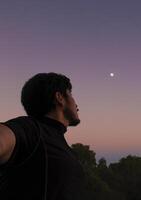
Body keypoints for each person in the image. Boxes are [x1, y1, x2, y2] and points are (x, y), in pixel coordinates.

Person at [0, 72, 88, 200]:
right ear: (59, 97)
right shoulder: (31, 129)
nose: (76, 104)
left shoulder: (63, 146)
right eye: (71, 94)